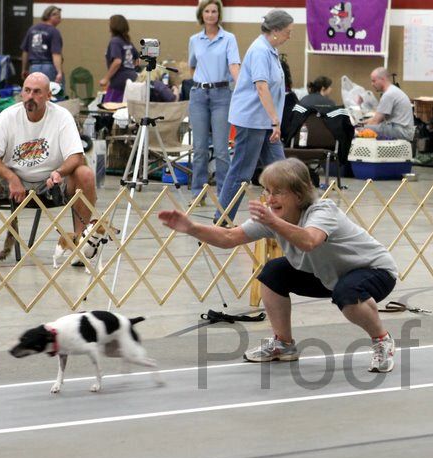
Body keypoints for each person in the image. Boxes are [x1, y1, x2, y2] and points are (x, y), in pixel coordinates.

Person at [159, 158, 399, 371]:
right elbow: (229, 238)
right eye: (266, 191)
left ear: (299, 194)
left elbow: (309, 241)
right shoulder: (272, 217)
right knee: (273, 273)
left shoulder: (323, 210)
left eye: (278, 192)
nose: (269, 199)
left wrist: (272, 221)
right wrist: (191, 228)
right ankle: (283, 345)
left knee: (348, 292)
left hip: (373, 271)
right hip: (327, 274)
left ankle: (382, 341)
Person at [0, 73, 97, 263]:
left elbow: (76, 156)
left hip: (50, 183)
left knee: (85, 173)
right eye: (27, 90)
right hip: (12, 182)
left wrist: (59, 172)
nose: (30, 96)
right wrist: (11, 178)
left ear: (48, 96)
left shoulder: (62, 117)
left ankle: (80, 243)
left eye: (37, 92)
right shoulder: (8, 116)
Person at [215, 9, 294, 224]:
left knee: (282, 172)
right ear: (275, 31)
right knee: (241, 172)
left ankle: (287, 219)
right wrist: (274, 120)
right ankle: (222, 220)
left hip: (265, 122)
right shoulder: (260, 50)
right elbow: (261, 87)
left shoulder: (271, 50)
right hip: (253, 121)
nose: (290, 36)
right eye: (288, 32)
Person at [188, 0, 241, 205]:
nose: (211, 15)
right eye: (207, 11)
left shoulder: (229, 38)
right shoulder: (194, 39)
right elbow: (192, 66)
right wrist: (202, 81)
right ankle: (197, 193)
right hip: (199, 95)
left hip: (222, 95)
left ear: (219, 15)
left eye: (214, 11)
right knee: (199, 148)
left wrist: (242, 86)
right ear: (202, 15)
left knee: (221, 149)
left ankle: (223, 193)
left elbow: (234, 65)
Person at [363, 67, 414, 141]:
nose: (372, 84)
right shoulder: (393, 90)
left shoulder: (388, 94)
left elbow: (375, 122)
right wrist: (363, 122)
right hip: (403, 130)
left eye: (374, 81)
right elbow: (378, 118)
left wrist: (359, 126)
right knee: (365, 127)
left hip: (401, 131)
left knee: (360, 129)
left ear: (382, 79)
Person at [20, 5, 63, 86]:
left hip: (34, 67)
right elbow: (56, 54)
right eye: (59, 17)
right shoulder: (54, 32)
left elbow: (25, 51)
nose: (60, 20)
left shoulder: (32, 29)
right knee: (53, 93)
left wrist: (24, 69)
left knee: (36, 93)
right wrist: (59, 72)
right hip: (48, 67)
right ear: (52, 16)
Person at [100, 15, 138, 104]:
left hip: (119, 81)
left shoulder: (115, 41)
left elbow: (117, 61)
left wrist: (106, 78)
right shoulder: (127, 41)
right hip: (131, 79)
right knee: (124, 107)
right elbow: (137, 59)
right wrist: (131, 70)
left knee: (108, 107)